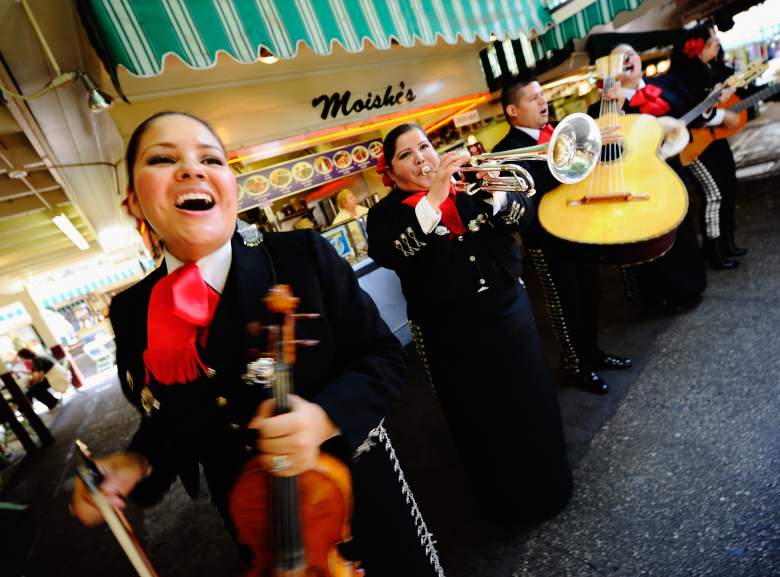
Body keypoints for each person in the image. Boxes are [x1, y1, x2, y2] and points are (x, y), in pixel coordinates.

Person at [70, 111, 444, 577]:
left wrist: (323, 417)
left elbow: (385, 357)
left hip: (355, 495)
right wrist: (136, 462)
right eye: (164, 158)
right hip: (257, 525)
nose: (192, 169)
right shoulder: (132, 311)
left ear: (230, 186)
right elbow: (173, 419)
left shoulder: (300, 256)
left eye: (211, 158)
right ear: (133, 202)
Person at [367, 123, 573, 523]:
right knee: (481, 419)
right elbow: (393, 252)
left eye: (424, 146)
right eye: (406, 154)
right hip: (451, 334)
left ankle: (554, 485)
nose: (421, 157)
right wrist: (434, 198)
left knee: (532, 402)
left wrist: (497, 193)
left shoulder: (473, 187)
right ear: (390, 174)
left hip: (510, 315)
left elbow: (521, 218)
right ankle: (506, 505)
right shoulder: (384, 216)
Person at [493, 77, 632, 394]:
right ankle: (575, 365)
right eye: (532, 98)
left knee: (590, 296)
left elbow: (594, 148)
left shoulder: (559, 131)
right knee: (564, 305)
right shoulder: (504, 150)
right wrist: (580, 153)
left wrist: (606, 113)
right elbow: (533, 182)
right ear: (513, 110)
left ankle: (593, 354)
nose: (543, 101)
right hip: (546, 239)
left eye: (543, 95)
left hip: (579, 229)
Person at [589, 43, 707, 313]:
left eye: (630, 55)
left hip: (669, 169)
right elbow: (605, 149)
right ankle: (657, 297)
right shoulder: (601, 107)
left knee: (681, 228)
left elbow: (689, 115)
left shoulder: (666, 84)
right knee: (647, 238)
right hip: (635, 179)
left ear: (640, 59)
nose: (627, 61)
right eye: (619, 59)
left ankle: (691, 287)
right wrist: (615, 109)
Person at [668, 24, 746, 269]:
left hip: (713, 140)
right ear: (697, 47)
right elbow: (692, 111)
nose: (717, 45)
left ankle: (726, 242)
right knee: (714, 194)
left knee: (728, 187)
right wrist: (720, 113)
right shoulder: (684, 75)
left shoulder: (711, 69)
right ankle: (713, 249)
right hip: (693, 146)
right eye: (712, 42)